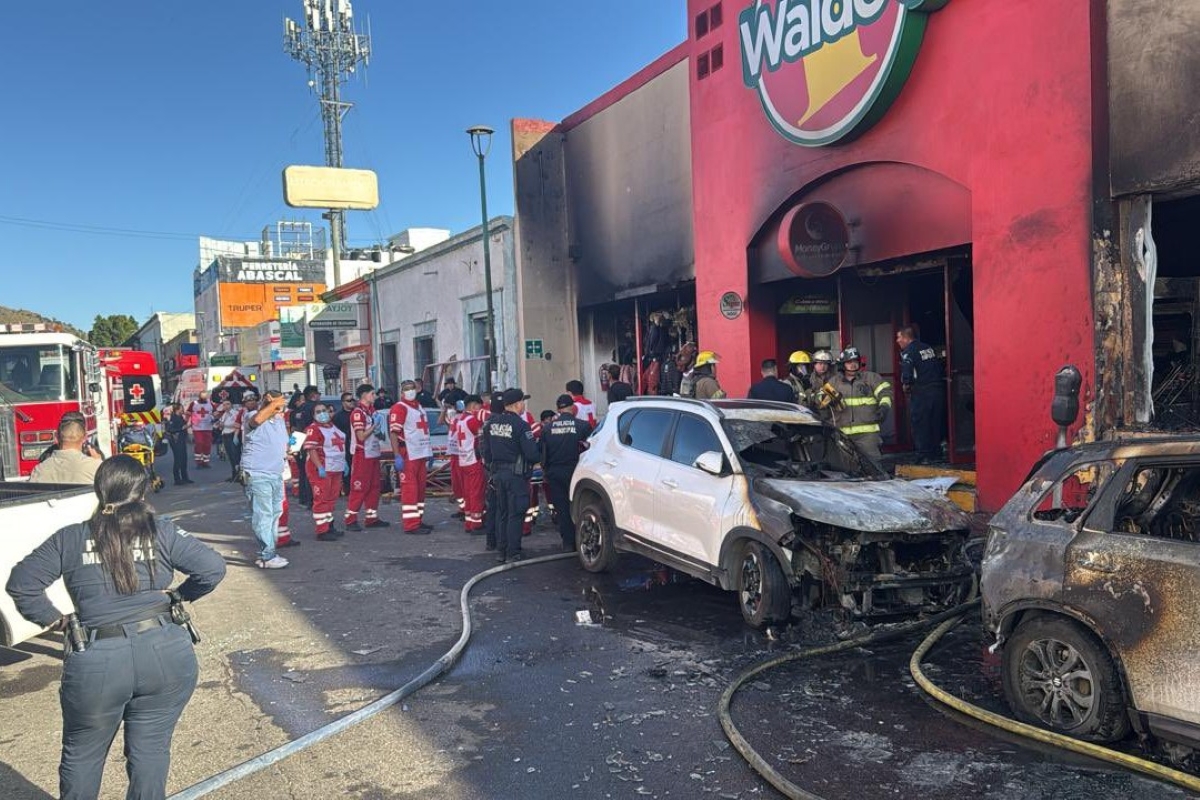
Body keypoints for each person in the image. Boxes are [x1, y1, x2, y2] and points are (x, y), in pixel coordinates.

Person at [5, 455, 226, 800]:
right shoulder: (161, 530)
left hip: (98, 659)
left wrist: (57, 620)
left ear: (99, 490)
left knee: (83, 755)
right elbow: (212, 568)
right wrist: (178, 598)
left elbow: (22, 583)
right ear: (142, 491)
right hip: (164, 651)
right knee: (151, 751)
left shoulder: (72, 537)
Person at [483, 388, 541, 563]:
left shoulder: (492, 424)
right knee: (516, 513)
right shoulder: (521, 425)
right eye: (522, 401)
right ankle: (513, 551)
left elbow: (486, 452)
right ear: (516, 404)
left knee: (502, 512)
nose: (524, 405)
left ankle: (501, 550)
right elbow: (532, 454)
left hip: (498, 474)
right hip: (515, 476)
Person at [241, 389, 292, 569]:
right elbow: (256, 421)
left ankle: (269, 552)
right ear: (269, 401)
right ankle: (266, 556)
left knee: (274, 513)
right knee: (263, 515)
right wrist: (272, 405)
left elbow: (282, 444)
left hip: (276, 473)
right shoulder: (253, 416)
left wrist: (289, 451)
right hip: (258, 474)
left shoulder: (278, 420)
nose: (281, 408)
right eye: (279, 404)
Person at [828, 346, 893, 462]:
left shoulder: (871, 378)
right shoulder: (834, 382)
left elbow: (885, 393)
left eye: (855, 362)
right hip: (843, 434)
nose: (853, 365)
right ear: (843, 364)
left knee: (873, 465)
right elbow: (819, 400)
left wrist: (884, 407)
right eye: (849, 362)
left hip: (868, 435)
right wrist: (825, 399)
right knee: (846, 467)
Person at [543, 395, 592, 551]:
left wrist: (546, 471)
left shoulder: (547, 428)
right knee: (580, 505)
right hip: (576, 471)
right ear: (572, 408)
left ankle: (568, 543)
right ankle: (583, 540)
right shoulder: (583, 426)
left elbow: (543, 455)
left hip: (555, 472)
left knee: (562, 508)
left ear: (558, 409)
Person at [896, 326, 947, 463]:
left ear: (906, 338)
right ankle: (936, 453)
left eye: (899, 337)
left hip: (922, 392)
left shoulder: (909, 351)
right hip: (937, 390)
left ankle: (923, 455)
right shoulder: (927, 348)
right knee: (935, 422)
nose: (897, 340)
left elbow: (907, 370)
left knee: (920, 423)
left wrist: (906, 385)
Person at [389, 379, 434, 534]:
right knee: (410, 490)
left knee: (420, 490)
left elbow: (423, 430)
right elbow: (394, 433)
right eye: (407, 389)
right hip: (407, 453)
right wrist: (396, 456)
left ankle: (418, 519)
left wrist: (429, 451)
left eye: (412, 388)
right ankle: (411, 525)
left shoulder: (419, 407)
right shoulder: (399, 408)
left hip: (420, 453)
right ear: (401, 392)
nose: (410, 391)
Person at [345, 384, 388, 531]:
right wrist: (374, 426)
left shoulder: (371, 412)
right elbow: (361, 436)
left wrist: (380, 432)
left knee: (374, 487)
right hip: (362, 454)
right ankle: (350, 519)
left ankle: (371, 518)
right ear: (364, 395)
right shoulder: (358, 413)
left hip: (374, 453)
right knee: (359, 488)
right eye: (372, 394)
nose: (374, 396)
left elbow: (376, 434)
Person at [302, 401, 346, 541]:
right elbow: (312, 449)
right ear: (313, 415)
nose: (322, 413)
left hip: (335, 468)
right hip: (321, 468)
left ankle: (329, 525)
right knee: (321, 499)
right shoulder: (313, 429)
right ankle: (322, 530)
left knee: (331, 499)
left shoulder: (332, 427)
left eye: (324, 410)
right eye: (318, 411)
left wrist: (343, 463)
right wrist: (319, 467)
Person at [30, 414, 103, 484]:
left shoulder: (39, 470)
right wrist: (101, 465)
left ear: (56, 437)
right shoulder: (95, 467)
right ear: (85, 438)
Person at [455, 395, 487, 534]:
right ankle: (476, 524)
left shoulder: (460, 419)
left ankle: (469, 522)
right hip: (474, 460)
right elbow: (483, 435)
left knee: (468, 493)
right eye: (479, 407)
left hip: (463, 460)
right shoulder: (472, 420)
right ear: (474, 406)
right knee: (476, 493)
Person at [291, 386, 321, 508]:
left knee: (302, 470)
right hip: (308, 439)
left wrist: (292, 446)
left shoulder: (296, 410)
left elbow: (293, 428)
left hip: (296, 439)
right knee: (311, 471)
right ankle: (311, 500)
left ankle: (302, 498)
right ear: (313, 395)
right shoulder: (314, 407)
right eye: (318, 394)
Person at [164, 402, 193, 486]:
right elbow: (170, 429)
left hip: (182, 440)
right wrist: (182, 428)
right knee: (178, 459)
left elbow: (184, 424)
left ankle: (185, 477)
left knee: (184, 459)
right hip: (176, 441)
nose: (183, 409)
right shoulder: (173, 418)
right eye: (181, 408)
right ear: (177, 409)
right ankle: (177, 479)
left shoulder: (180, 417)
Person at [186, 390, 215, 469]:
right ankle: (198, 461)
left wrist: (215, 418)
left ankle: (206, 462)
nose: (204, 398)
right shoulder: (194, 404)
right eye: (202, 397)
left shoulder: (210, 403)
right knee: (199, 443)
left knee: (207, 444)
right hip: (197, 427)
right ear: (199, 397)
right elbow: (188, 413)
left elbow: (215, 413)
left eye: (205, 397)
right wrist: (186, 422)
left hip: (208, 427)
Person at [333, 391, 355, 494]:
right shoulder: (338, 417)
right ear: (343, 402)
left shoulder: (357, 413)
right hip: (344, 447)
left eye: (352, 400)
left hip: (357, 446)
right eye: (348, 400)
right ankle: (347, 489)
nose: (351, 402)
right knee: (347, 471)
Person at [217, 398, 244, 483]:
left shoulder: (235, 413)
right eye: (224, 405)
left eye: (228, 404)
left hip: (233, 435)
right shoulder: (224, 414)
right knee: (230, 456)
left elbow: (237, 424)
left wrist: (225, 425)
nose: (226, 406)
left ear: (231, 405)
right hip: (225, 435)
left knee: (236, 456)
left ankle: (240, 476)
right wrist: (220, 425)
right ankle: (234, 475)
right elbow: (221, 426)